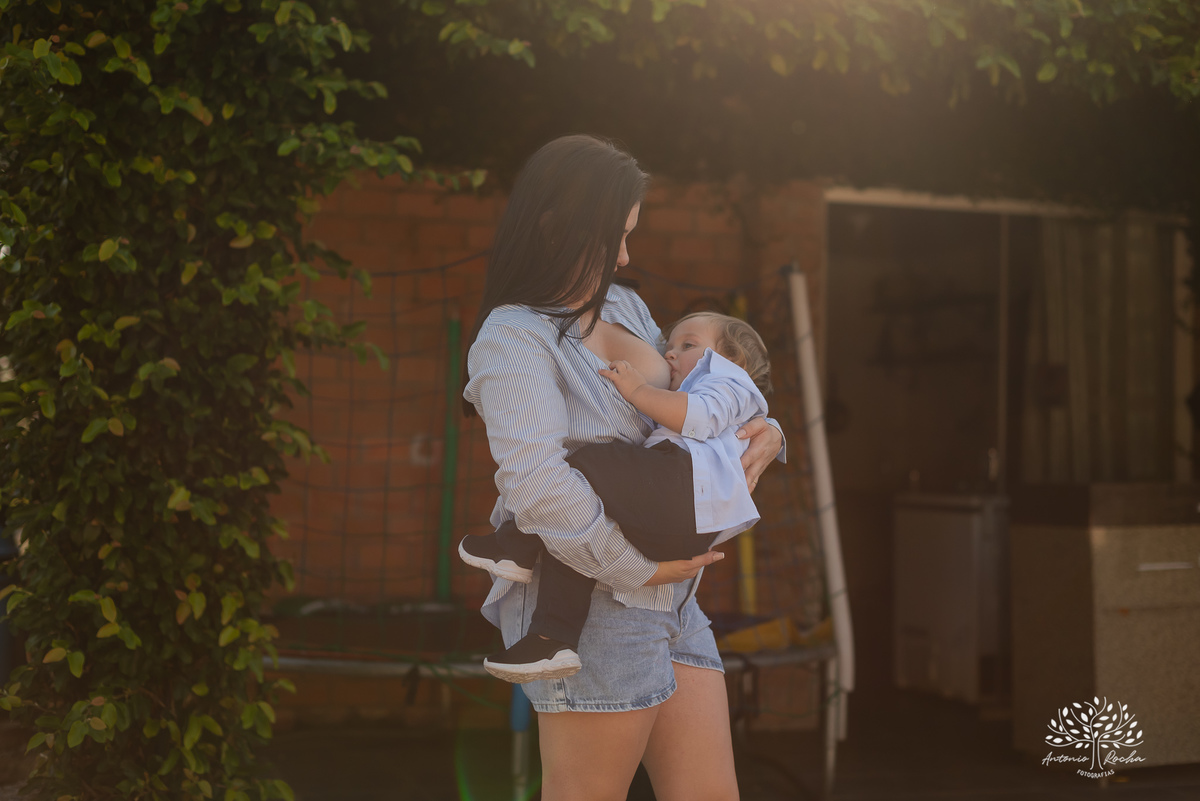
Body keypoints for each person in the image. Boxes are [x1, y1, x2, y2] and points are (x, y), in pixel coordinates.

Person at [462, 134, 783, 800]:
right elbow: (539, 484)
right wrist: (638, 568)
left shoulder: (625, 305)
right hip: (595, 606)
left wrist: (768, 430)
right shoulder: (512, 336)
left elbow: (697, 397)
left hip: (678, 601)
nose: (628, 255)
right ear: (558, 226)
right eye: (618, 235)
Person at [460, 311, 773, 683]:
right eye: (669, 346)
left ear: (734, 360)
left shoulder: (726, 379)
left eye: (688, 345)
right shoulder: (713, 385)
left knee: (589, 460)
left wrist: (638, 391)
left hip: (683, 490)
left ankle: (515, 544)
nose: (670, 355)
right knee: (576, 526)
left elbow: (702, 416)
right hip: (682, 514)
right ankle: (551, 639)